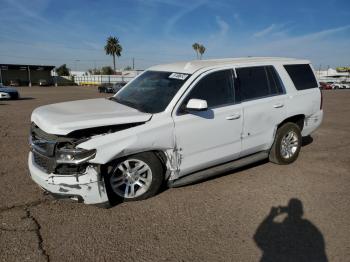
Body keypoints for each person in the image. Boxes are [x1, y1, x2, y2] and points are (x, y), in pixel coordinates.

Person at [254, 198, 328, 262]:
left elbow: (259, 236)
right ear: (301, 213)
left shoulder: (279, 230)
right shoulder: (309, 230)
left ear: (288, 212)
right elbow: (320, 253)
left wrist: (271, 215)